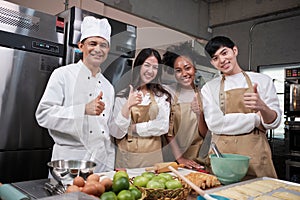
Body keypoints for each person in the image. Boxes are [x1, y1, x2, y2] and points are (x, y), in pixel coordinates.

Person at [35, 16, 115, 172]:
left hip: (101, 162)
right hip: (70, 160)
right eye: (93, 43)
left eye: (103, 45)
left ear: (108, 50)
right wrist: (83, 109)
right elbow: (43, 115)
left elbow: (107, 131)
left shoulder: (108, 87)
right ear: (81, 46)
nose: (98, 49)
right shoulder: (63, 74)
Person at [202, 36, 281, 178]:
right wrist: (256, 119)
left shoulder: (262, 80)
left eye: (224, 53)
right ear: (212, 62)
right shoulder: (209, 88)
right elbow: (215, 124)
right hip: (222, 158)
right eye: (215, 58)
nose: (222, 60)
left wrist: (263, 108)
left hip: (255, 157)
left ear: (235, 50)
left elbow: (273, 122)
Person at [111, 48, 171, 168]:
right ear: (138, 66)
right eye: (147, 65)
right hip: (127, 158)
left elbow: (163, 126)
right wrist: (128, 106)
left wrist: (134, 128)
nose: (150, 71)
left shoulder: (161, 96)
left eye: (155, 67)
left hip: (153, 157)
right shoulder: (122, 95)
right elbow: (116, 132)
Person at [162, 42, 209, 169]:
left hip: (198, 156)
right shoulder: (168, 92)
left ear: (195, 68)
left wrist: (199, 114)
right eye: (178, 70)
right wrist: (180, 158)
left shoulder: (205, 94)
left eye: (187, 68)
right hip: (173, 156)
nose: (184, 74)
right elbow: (168, 132)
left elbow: (205, 134)